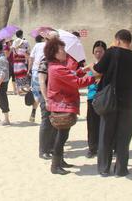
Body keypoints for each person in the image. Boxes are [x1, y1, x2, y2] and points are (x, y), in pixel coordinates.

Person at [92, 29, 132, 177]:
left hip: (110, 102)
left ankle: (104, 168)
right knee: (124, 138)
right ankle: (121, 169)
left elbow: (97, 70)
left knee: (105, 136)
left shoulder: (111, 52)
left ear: (117, 40)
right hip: (128, 102)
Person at [45, 37, 95, 174]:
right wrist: (95, 77)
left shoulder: (57, 67)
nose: (64, 52)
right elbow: (77, 82)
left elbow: (71, 74)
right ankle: (55, 165)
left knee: (63, 135)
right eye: (62, 50)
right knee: (61, 137)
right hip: (62, 106)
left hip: (62, 105)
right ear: (55, 53)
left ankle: (60, 161)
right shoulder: (57, 69)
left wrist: (81, 71)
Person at [30, 34, 54, 157]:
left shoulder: (59, 59)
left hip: (56, 95)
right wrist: (45, 98)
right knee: (46, 120)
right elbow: (41, 80)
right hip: (47, 94)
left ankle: (51, 147)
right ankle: (44, 150)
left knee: (54, 121)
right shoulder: (45, 60)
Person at [86, 40, 107, 158]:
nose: (98, 54)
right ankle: (92, 148)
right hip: (91, 97)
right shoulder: (91, 65)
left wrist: (91, 69)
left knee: (104, 123)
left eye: (101, 51)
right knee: (92, 124)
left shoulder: (107, 65)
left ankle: (104, 147)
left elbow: (99, 77)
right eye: (96, 51)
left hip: (103, 97)